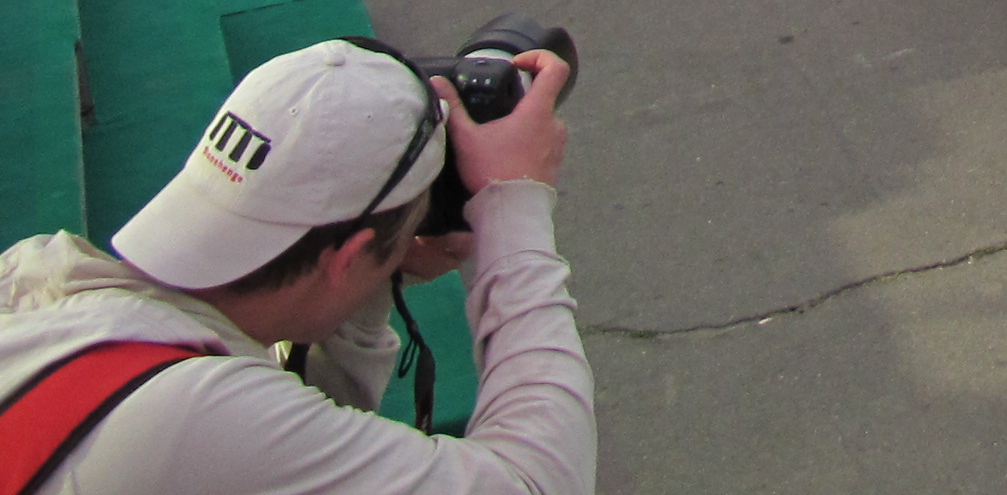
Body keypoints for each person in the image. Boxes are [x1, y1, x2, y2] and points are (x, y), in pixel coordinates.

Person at [0, 35, 591, 489]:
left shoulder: (40, 282)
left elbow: (291, 451)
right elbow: (537, 483)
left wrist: (367, 285)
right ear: (350, 254)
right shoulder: (199, 415)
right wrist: (512, 207)